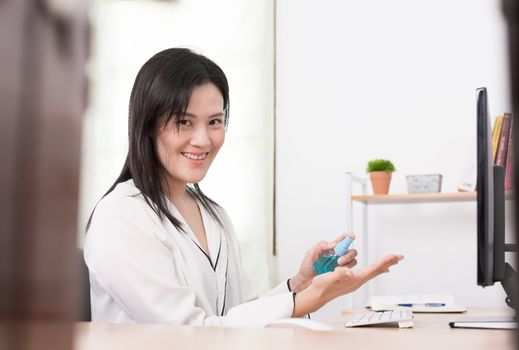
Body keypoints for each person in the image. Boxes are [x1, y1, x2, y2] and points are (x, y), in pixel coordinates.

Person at [83, 48, 403, 327]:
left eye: (214, 121)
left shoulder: (214, 214)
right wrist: (303, 302)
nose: (203, 140)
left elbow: (238, 315)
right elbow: (186, 331)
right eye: (184, 122)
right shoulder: (121, 215)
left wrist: (302, 283)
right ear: (148, 124)